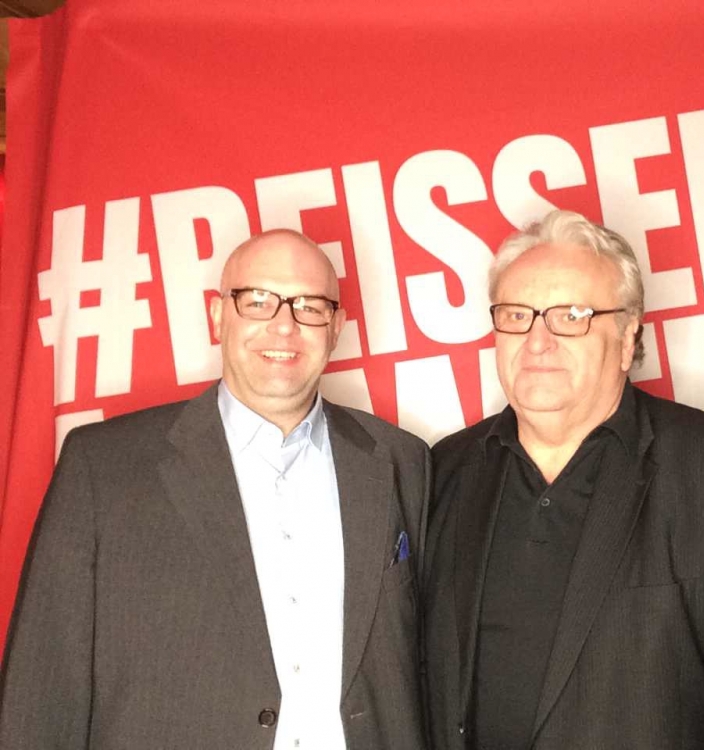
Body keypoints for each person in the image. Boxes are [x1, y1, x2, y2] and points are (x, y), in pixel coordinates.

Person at [422, 210, 704, 749]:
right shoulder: (444, 469)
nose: (538, 340)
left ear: (626, 338)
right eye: (517, 315)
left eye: (571, 316)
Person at [0, 230, 429, 750]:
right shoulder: (103, 466)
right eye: (258, 301)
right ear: (218, 315)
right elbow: (43, 686)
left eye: (310, 306)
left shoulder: (401, 459)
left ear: (336, 327)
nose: (284, 325)